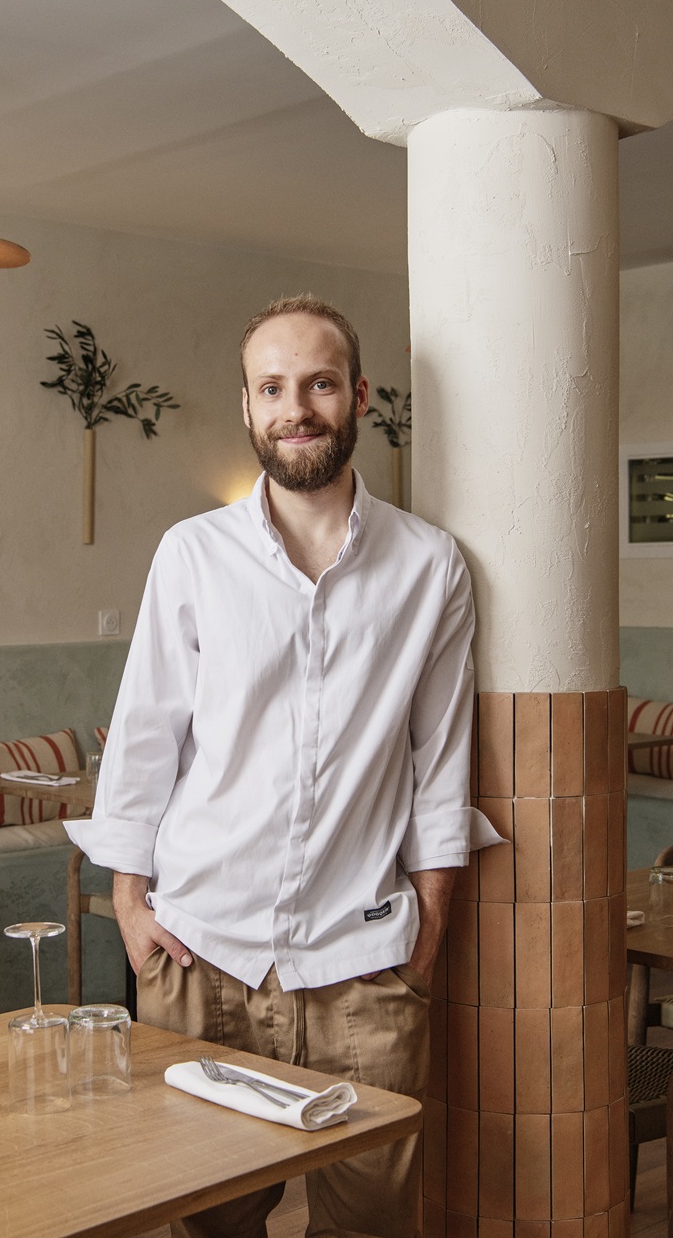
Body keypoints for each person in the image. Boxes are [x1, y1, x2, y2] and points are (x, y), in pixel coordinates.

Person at [66, 294, 502, 1238]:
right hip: (200, 955)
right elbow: (143, 741)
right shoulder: (192, 555)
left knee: (371, 1225)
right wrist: (132, 910)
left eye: (319, 384)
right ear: (247, 405)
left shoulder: (431, 566)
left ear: (359, 396)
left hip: (364, 962)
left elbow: (439, 764)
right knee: (213, 1225)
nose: (295, 408)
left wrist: (427, 932)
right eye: (272, 388)